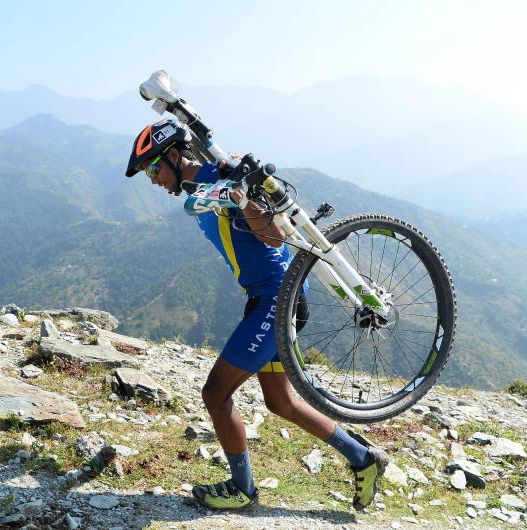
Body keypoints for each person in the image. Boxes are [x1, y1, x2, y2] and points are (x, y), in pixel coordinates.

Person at [125, 119, 388, 511]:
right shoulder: (200, 184)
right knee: (281, 402)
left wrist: (242, 195)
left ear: (176, 157)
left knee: (215, 393)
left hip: (277, 300)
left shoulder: (227, 176)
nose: (152, 180)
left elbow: (274, 236)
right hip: (266, 298)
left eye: (153, 169)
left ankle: (242, 488)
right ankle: (364, 458)